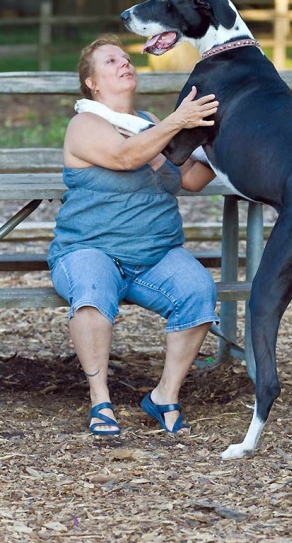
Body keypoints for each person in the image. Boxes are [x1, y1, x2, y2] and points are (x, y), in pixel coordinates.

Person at [48, 34, 220, 437]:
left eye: (126, 58)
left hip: (155, 253)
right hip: (89, 248)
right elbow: (127, 157)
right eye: (110, 62)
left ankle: (164, 395)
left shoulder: (149, 124)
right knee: (90, 291)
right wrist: (178, 121)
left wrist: (223, 136)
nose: (124, 64)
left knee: (198, 289)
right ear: (91, 83)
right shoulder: (84, 124)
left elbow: (192, 178)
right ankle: (100, 400)